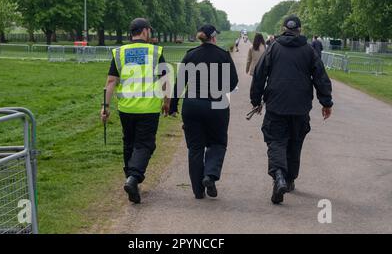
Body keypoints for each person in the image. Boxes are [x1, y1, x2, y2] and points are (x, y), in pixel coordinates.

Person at [250, 15, 333, 205]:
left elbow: (259, 75)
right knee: (295, 143)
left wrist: (256, 100)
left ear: (282, 29)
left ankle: (279, 175)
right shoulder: (309, 50)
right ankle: (289, 180)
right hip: (300, 107)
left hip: (276, 106)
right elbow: (321, 77)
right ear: (300, 30)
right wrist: (326, 102)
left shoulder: (273, 49)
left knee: (276, 141)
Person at [101, 18, 170, 204]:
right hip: (148, 108)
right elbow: (165, 80)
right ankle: (133, 178)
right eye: (150, 30)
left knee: (129, 143)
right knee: (145, 145)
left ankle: (130, 179)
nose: (151, 34)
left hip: (126, 108)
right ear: (145, 31)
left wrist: (105, 107)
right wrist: (167, 101)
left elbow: (111, 82)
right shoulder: (155, 51)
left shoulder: (120, 52)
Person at [170, 25, 239, 200]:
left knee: (195, 148)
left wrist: (172, 106)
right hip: (217, 105)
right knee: (217, 143)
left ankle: (198, 191)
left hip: (192, 106)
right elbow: (233, 82)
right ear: (214, 37)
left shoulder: (190, 55)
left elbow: (180, 83)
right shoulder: (223, 55)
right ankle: (210, 175)